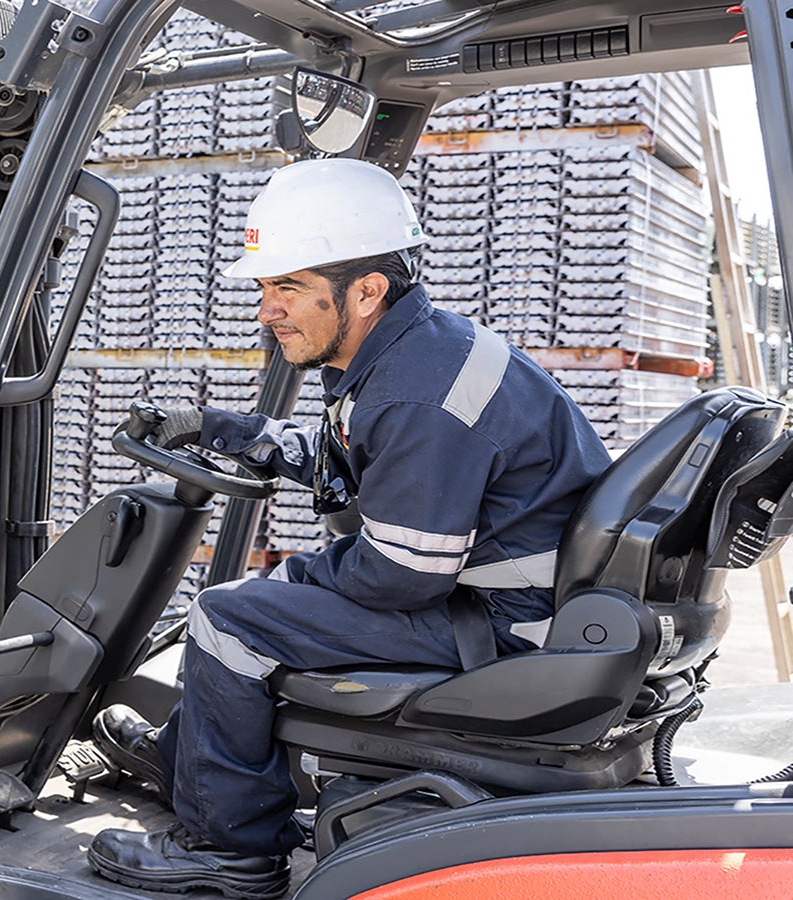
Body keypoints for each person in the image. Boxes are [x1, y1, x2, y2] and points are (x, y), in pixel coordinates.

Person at [86, 159, 612, 898]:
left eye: (289, 288)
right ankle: (191, 763)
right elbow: (349, 464)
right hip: (504, 593)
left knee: (228, 619)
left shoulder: (417, 395)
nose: (267, 310)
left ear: (365, 291)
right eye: (267, 289)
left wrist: (296, 578)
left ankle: (228, 849)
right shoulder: (412, 353)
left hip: (498, 621)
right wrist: (217, 428)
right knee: (258, 605)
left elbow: (402, 574)